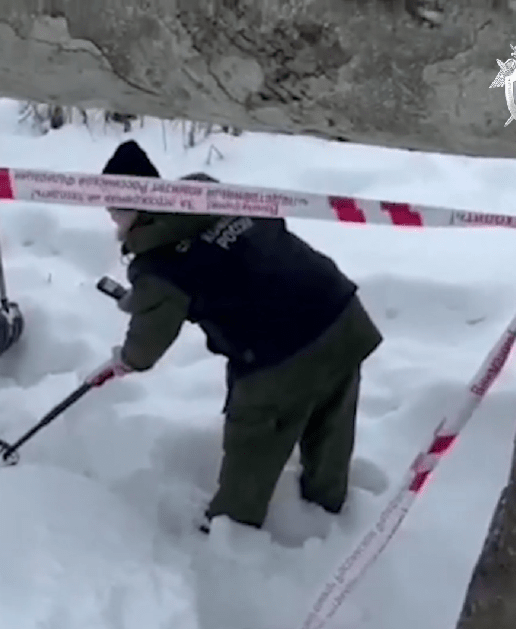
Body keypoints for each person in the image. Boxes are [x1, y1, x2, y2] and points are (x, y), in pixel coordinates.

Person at [93, 140, 383, 532]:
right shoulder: (217, 199)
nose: (111, 218)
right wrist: (145, 300)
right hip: (337, 313)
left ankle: (232, 534)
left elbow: (145, 348)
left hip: (278, 354)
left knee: (254, 441)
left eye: (112, 209)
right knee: (332, 418)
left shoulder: (160, 265)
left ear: (132, 208)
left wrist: (126, 358)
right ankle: (326, 504)